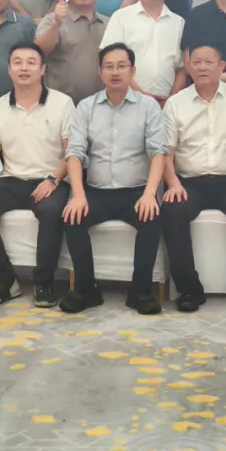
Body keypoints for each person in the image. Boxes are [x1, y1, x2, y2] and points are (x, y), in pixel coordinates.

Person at [61, 43, 167, 315]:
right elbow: (74, 153)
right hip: (97, 191)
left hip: (136, 190)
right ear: (100, 72)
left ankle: (141, 292)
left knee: (152, 216)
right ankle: (86, 289)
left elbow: (158, 152)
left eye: (122, 66)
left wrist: (150, 193)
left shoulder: (148, 107)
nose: (115, 72)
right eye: (109, 66)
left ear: (133, 71)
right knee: (72, 217)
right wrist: (78, 195)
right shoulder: (86, 107)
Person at [0, 44, 75, 308]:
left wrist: (53, 180)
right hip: (12, 180)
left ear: (42, 69)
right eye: (17, 62)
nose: (24, 68)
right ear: (9, 69)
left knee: (51, 211)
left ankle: (43, 282)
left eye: (30, 62)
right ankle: (5, 281)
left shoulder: (62, 103)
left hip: (51, 179)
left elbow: (71, 152)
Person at [162, 42, 226, 312]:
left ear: (221, 67)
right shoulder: (175, 103)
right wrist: (172, 183)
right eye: (196, 62)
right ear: (189, 67)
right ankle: (188, 290)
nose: (202, 67)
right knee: (172, 209)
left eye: (209, 62)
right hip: (189, 182)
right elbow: (166, 151)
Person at [100, 0, 186, 106]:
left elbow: (182, 68)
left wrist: (172, 100)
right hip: (126, 102)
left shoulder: (179, 23)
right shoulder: (121, 17)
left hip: (167, 105)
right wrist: (140, 95)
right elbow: (108, 61)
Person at [35, 0, 107, 105]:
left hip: (101, 107)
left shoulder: (109, 23)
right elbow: (38, 52)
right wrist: (56, 25)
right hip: (60, 107)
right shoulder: (51, 20)